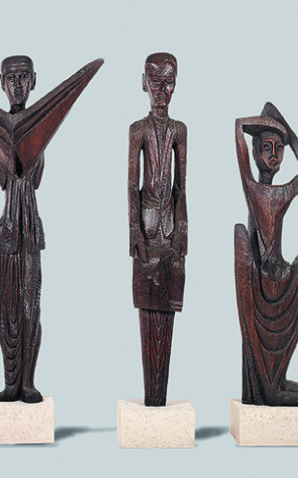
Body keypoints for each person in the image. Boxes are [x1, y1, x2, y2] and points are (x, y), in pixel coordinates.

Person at [0, 56, 103, 403]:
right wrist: (6, 142)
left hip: (30, 231)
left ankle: (28, 382)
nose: (18, 85)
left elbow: (32, 178)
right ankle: (10, 381)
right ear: (1, 83)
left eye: (24, 78)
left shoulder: (40, 130)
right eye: (11, 78)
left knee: (29, 308)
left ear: (34, 81)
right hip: (9, 231)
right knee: (7, 309)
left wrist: (28, 141)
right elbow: (5, 177)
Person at [233, 103, 298, 407]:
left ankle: (276, 382)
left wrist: (282, 127)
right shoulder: (252, 189)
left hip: (281, 274)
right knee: (239, 235)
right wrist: (266, 120)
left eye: (279, 149)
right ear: (255, 151)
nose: (273, 155)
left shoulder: (284, 192)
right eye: (266, 147)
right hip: (256, 279)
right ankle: (268, 388)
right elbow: (238, 127)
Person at [127, 53, 187, 407]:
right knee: (146, 304)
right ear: (144, 83)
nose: (162, 90)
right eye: (155, 82)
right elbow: (131, 185)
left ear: (176, 85)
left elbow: (182, 187)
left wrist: (182, 228)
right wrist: (133, 228)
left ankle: (159, 395)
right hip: (147, 229)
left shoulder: (180, 130)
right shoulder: (137, 129)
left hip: (169, 228)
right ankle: (151, 395)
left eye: (169, 82)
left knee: (169, 305)